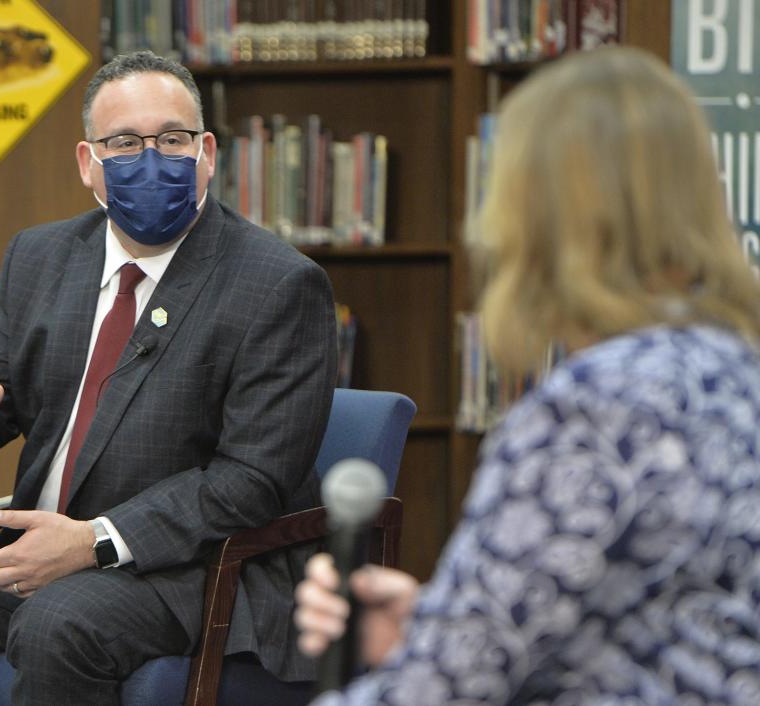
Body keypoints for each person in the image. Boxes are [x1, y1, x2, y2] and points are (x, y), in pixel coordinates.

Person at [0, 50, 338, 704]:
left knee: (57, 625)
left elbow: (252, 481)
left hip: (188, 565)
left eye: (172, 139)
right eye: (125, 143)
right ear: (88, 164)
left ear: (208, 153)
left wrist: (96, 542)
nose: (152, 159)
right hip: (40, 551)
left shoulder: (277, 284)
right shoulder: (41, 257)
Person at [295, 46, 760, 705]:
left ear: (535, 218)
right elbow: (664, 618)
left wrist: (444, 646)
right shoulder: (736, 371)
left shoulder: (594, 406)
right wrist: (434, 622)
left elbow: (439, 689)